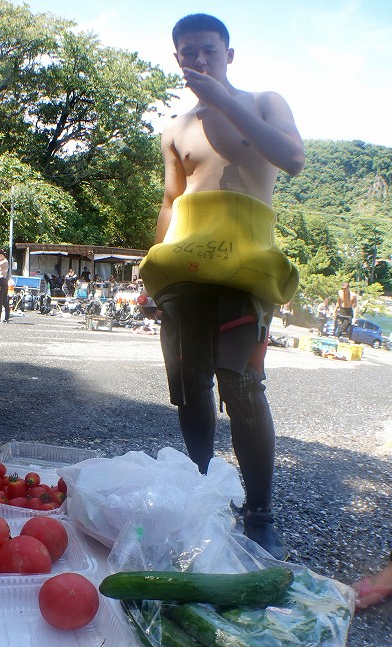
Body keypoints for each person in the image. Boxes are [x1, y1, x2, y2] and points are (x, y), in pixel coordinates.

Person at [139, 13, 305, 559]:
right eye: (188, 53)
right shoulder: (175, 128)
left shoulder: (263, 103)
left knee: (240, 384)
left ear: (229, 54)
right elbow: (170, 201)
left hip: (247, 267)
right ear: (177, 58)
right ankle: (203, 497)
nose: (198, 61)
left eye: (208, 51)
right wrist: (152, 274)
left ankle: (259, 512)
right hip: (185, 271)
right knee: (188, 386)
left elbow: (293, 158)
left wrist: (224, 100)